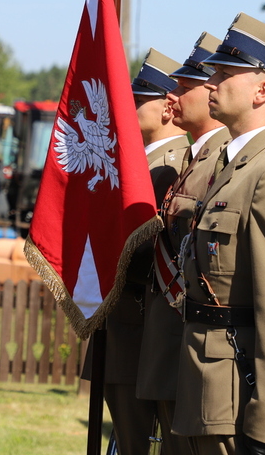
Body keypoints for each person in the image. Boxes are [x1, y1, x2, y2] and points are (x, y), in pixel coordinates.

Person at [173, 13, 265, 454]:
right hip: (207, 386)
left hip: (237, 394)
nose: (211, 83)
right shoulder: (232, 166)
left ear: (262, 90)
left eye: (224, 73)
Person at [86, 48, 190, 455]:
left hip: (140, 323)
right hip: (125, 321)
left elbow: (152, 247)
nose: (128, 105)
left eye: (139, 98)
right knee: (125, 438)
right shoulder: (143, 161)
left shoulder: (172, 164)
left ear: (167, 108)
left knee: (137, 441)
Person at [137, 32, 228, 455]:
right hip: (167, 331)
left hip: (188, 336)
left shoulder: (217, 160)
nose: (172, 96)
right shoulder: (197, 158)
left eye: (184, 87)